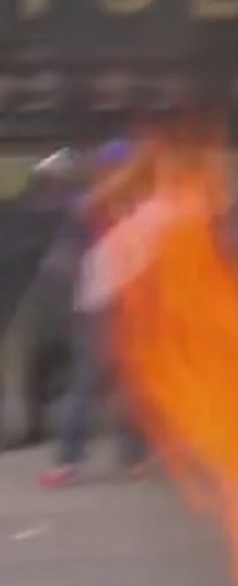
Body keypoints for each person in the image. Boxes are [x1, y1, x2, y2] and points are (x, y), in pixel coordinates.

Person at [39, 140, 154, 488]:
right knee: (87, 385)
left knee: (134, 385)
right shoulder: (87, 210)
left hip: (134, 310)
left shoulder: (141, 209)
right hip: (98, 308)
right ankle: (69, 461)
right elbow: (62, 260)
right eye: (112, 168)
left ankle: (133, 455)